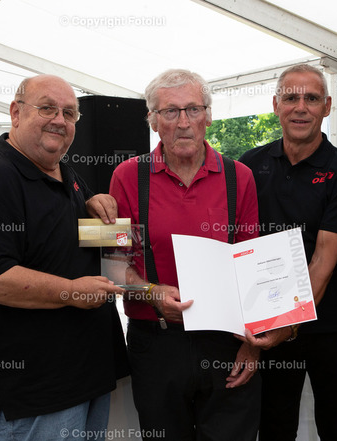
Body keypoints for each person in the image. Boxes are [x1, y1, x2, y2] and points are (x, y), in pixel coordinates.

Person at [0, 74, 128, 441]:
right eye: (47, 108)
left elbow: (67, 242)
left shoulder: (64, 173)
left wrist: (97, 207)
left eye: (69, 113)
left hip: (81, 378)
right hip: (29, 395)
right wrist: (71, 291)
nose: (60, 120)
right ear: (16, 113)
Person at [109, 69, 261, 441]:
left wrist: (252, 345)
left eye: (193, 109)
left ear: (208, 116)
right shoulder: (125, 177)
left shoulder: (240, 177)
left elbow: (253, 265)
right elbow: (111, 265)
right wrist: (151, 293)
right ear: (152, 120)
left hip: (226, 342)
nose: (183, 122)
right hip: (156, 343)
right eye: (170, 112)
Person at [239, 64, 337, 441]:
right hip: (271, 322)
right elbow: (239, 246)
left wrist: (287, 324)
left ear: (327, 106)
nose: (300, 107)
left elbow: (322, 263)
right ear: (275, 105)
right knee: (274, 426)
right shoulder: (249, 165)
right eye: (291, 98)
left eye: (311, 98)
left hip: (332, 327)